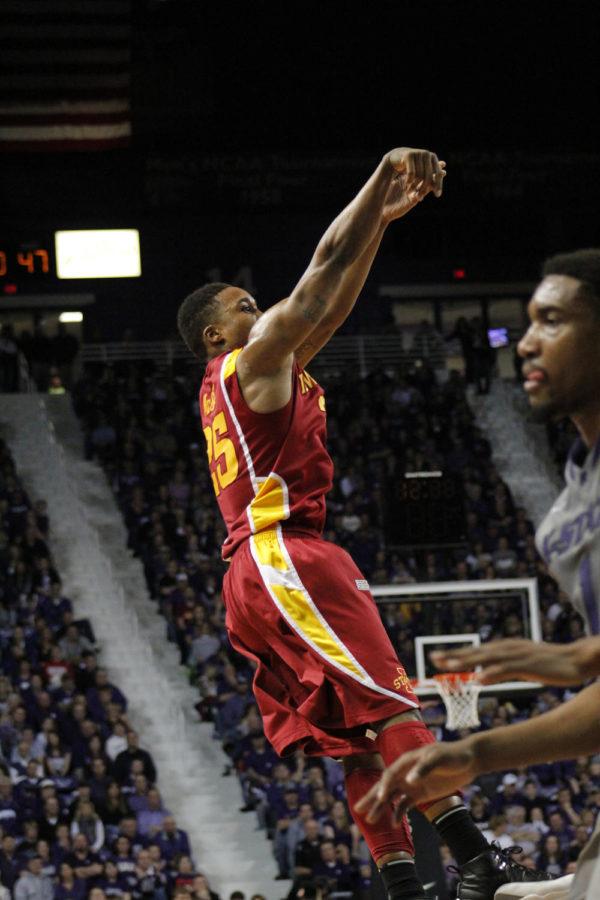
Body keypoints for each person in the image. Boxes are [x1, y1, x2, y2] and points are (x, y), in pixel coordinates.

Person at [177, 147, 547, 900]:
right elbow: (319, 275)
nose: (260, 310)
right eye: (243, 306)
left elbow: (334, 300)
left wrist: (378, 222)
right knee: (390, 703)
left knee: (355, 738)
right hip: (285, 556)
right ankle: (475, 858)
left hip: (258, 573)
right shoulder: (249, 364)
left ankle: (403, 883)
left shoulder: (263, 371)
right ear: (216, 337)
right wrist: (380, 178)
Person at [356, 249, 600, 900]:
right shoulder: (567, 512)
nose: (525, 344)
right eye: (527, 323)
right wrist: (474, 754)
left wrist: (578, 658)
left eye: (552, 320)